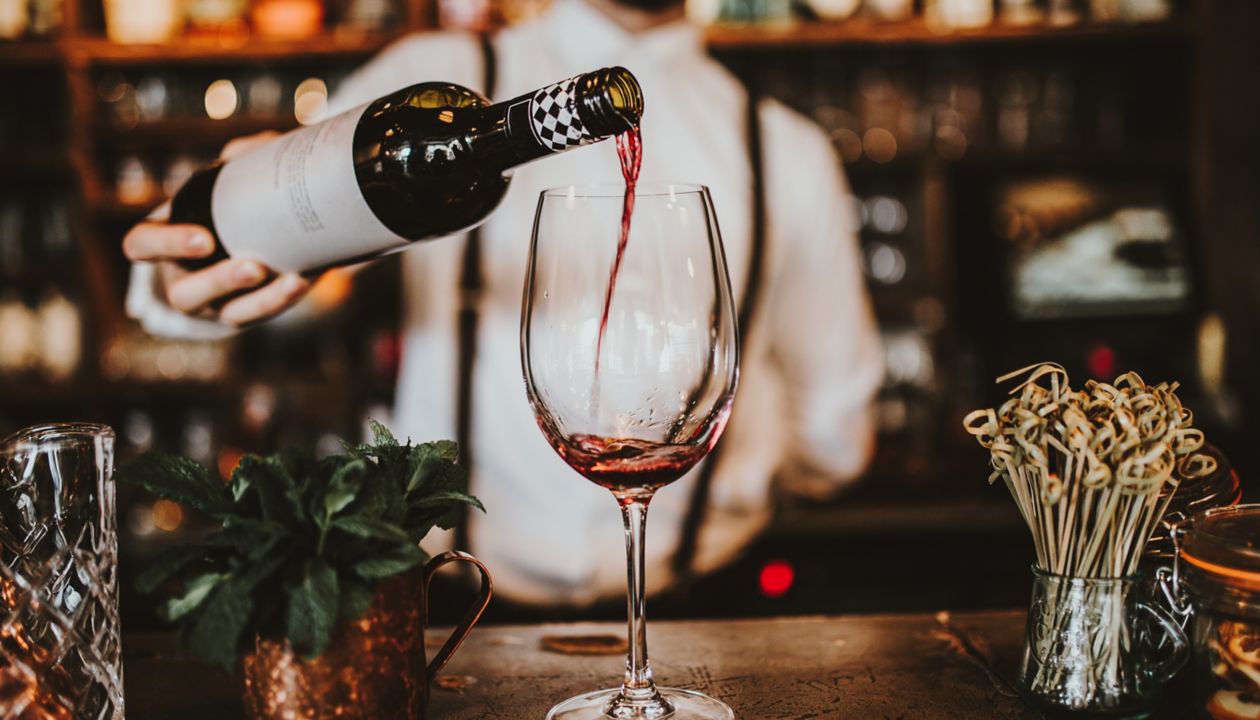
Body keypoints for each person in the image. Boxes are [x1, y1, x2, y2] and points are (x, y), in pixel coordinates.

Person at [122, 0, 883, 607]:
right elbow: (295, 263)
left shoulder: (791, 150)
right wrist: (192, 270)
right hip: (450, 610)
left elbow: (838, 433)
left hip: (706, 616)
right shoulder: (436, 76)